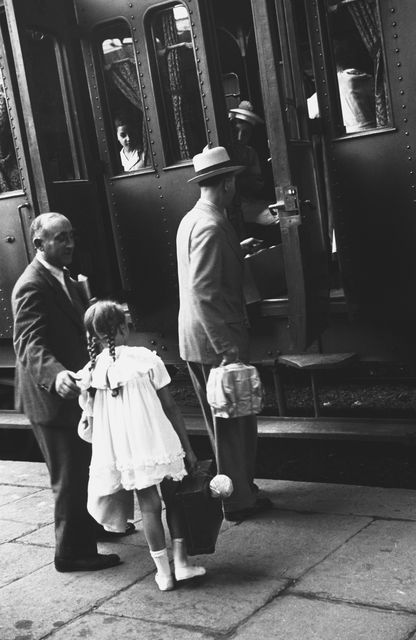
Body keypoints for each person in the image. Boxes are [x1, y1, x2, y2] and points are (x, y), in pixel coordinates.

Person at [11, 213, 122, 572]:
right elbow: (28, 343)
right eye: (60, 238)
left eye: (71, 236)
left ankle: (89, 528)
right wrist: (55, 374)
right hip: (51, 398)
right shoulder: (31, 285)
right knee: (70, 476)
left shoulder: (62, 276)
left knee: (84, 467)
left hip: (73, 393)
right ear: (39, 244)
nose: (70, 244)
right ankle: (71, 553)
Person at [77, 299, 206, 592]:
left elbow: (92, 422)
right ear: (124, 328)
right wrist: (187, 447)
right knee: (175, 501)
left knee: (149, 508)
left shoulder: (91, 372)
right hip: (160, 441)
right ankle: (182, 563)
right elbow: (170, 407)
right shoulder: (146, 359)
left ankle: (163, 574)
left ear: (94, 337)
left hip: (129, 452)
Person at [176, 145, 273, 522]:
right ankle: (237, 502)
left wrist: (238, 251)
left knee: (223, 426)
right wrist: (227, 349)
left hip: (196, 338)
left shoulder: (192, 219)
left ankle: (237, 491)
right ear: (228, 183)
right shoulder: (212, 226)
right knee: (233, 427)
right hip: (216, 341)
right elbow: (204, 291)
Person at [229, 101, 280, 244]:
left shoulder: (250, 153)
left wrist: (254, 181)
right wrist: (244, 172)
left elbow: (255, 186)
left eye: (245, 133)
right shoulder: (222, 152)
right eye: (235, 131)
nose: (240, 137)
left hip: (249, 203)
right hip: (234, 206)